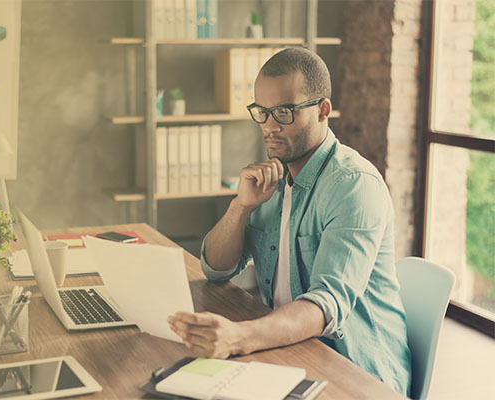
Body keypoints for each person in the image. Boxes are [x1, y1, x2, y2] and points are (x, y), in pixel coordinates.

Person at [168, 47, 411, 395]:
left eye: (284, 112)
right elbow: (217, 269)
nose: (269, 126)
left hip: (358, 373)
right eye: (262, 112)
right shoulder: (274, 179)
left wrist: (238, 337)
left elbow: (326, 306)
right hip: (290, 350)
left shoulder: (353, 186)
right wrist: (241, 207)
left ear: (323, 110)